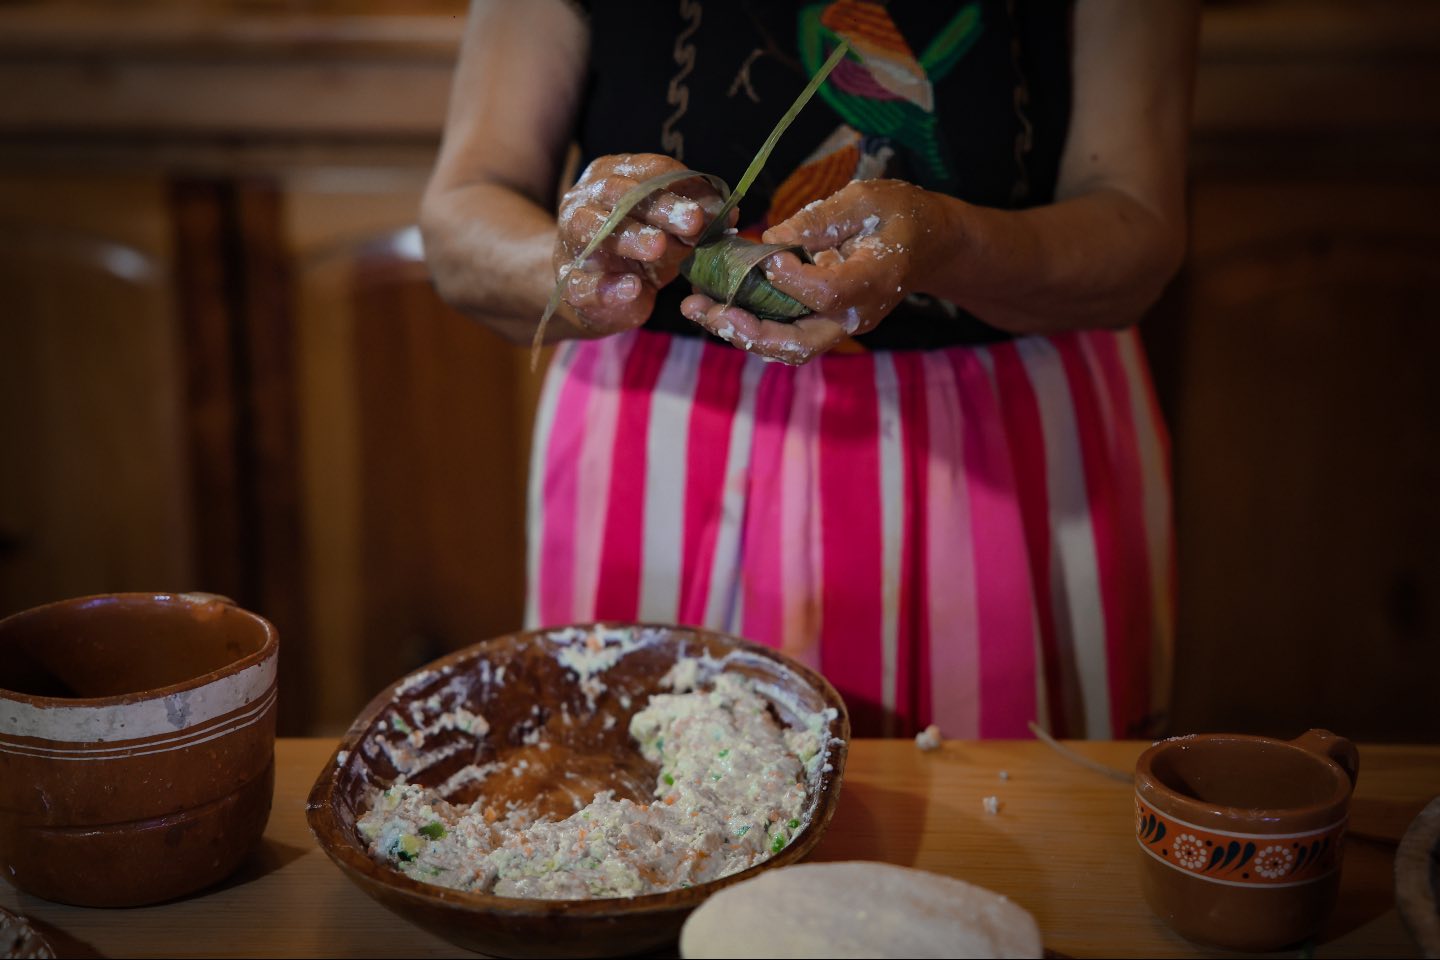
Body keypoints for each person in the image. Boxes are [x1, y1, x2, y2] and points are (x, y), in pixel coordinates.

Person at [421, 0, 1198, 738]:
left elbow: (1137, 223)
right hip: (657, 452)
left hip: (1007, 447)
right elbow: (464, 211)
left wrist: (949, 245)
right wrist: (580, 267)